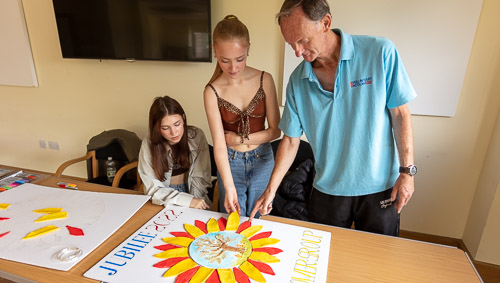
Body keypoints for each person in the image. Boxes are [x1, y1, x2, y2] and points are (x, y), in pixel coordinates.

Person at [250, 0, 417, 236]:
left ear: (326, 23)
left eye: (303, 40)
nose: (297, 52)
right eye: (291, 44)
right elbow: (290, 140)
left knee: (378, 262)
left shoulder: (379, 52)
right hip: (327, 188)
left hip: (380, 187)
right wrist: (271, 189)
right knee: (321, 260)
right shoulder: (298, 81)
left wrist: (407, 172)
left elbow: (400, 114)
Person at [203, 15, 281, 217]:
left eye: (240, 59)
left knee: (258, 222)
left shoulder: (265, 79)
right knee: (232, 222)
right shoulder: (212, 91)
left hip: (262, 159)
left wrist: (240, 138)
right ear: (214, 51)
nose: (233, 68)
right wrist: (228, 188)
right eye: (224, 61)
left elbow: (275, 130)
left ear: (248, 49)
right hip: (230, 162)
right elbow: (219, 146)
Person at [138, 96, 212, 210]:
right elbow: (153, 189)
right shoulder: (148, 144)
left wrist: (193, 202)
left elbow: (201, 178)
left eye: (177, 124)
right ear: (156, 128)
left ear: (183, 118)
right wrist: (185, 200)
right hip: (162, 197)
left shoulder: (197, 136)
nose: (174, 132)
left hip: (194, 193)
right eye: (165, 128)